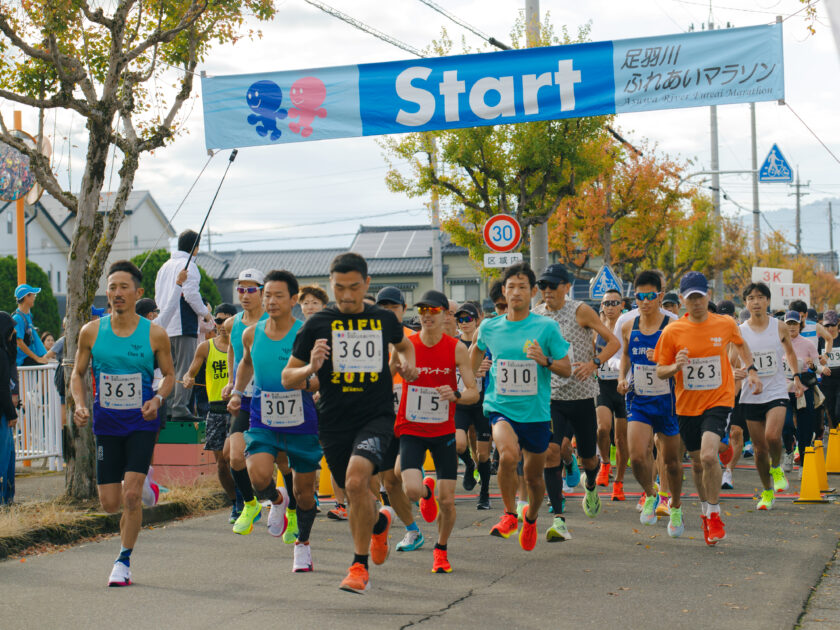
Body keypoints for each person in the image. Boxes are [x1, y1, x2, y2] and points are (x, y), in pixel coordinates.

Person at [282, 252, 418, 594]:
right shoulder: (316, 324)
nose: (346, 295)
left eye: (354, 287)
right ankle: (378, 525)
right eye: (339, 287)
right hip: (333, 421)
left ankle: (358, 567)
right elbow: (287, 377)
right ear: (332, 284)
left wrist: (407, 365)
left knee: (357, 484)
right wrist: (311, 367)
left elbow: (404, 346)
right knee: (357, 493)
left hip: (375, 416)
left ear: (366, 284)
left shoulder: (383, 319)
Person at [70, 260, 175, 586]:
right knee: (110, 503)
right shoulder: (91, 332)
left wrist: (157, 399)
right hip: (106, 424)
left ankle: (123, 562)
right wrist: (80, 404)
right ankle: (146, 483)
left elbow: (170, 375)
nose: (117, 293)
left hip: (142, 423)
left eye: (123, 287)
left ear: (138, 293)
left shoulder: (155, 334)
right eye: (112, 287)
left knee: (130, 498)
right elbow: (77, 373)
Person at [654, 271, 762, 545]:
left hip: (719, 401)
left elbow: (742, 345)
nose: (697, 302)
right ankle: (705, 511)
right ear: (682, 300)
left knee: (709, 456)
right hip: (687, 406)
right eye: (691, 298)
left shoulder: (725, 323)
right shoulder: (672, 331)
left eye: (700, 296)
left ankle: (714, 513)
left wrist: (750, 370)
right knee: (697, 461)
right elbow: (659, 371)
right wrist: (675, 366)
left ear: (708, 295)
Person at [470, 262, 572, 550]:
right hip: (500, 407)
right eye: (511, 287)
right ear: (503, 291)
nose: (516, 292)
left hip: (536, 413)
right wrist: (470, 379)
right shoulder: (489, 326)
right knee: (507, 454)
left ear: (533, 293)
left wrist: (545, 360)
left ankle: (531, 518)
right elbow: (473, 354)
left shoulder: (546, 327)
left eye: (523, 287)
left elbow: (566, 368)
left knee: (534, 477)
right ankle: (509, 514)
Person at [229, 270, 321, 573]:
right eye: (267, 294)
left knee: (306, 492)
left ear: (293, 300)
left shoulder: (305, 333)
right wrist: (238, 392)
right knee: (257, 476)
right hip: (263, 416)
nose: (270, 301)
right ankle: (277, 499)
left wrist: (309, 383)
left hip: (301, 420)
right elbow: (246, 363)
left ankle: (302, 545)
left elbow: (320, 378)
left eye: (278, 295)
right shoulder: (251, 333)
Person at [394, 289, 479, 573]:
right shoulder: (407, 344)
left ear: (445, 315)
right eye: (422, 311)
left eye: (433, 311)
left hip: (443, 429)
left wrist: (455, 394)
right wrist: (402, 372)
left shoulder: (456, 348)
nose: (426, 316)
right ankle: (425, 494)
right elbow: (388, 371)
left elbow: (473, 393)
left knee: (449, 502)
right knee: (412, 488)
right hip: (412, 427)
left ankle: (440, 550)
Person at [533, 263, 619, 542]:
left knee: (588, 458)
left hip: (581, 395)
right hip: (551, 397)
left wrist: (595, 363)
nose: (547, 291)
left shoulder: (580, 310)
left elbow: (613, 342)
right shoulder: (536, 315)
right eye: (543, 286)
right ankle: (559, 519)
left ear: (566, 287)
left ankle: (591, 482)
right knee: (551, 452)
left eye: (552, 285)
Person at [617, 271, 684, 536]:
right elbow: (624, 355)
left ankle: (675, 506)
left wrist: (667, 363)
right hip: (639, 400)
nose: (645, 302)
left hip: (668, 401)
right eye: (640, 297)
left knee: (671, 463)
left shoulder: (673, 324)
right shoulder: (628, 326)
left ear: (659, 295)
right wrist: (622, 377)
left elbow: (681, 360)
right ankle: (650, 494)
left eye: (650, 296)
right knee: (636, 455)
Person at [738, 283, 802, 510]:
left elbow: (790, 354)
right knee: (758, 449)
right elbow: (730, 359)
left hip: (776, 390)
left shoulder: (780, 326)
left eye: (761, 297)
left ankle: (776, 467)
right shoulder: (740, 330)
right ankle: (767, 491)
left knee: (773, 436)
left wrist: (795, 377)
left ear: (768, 301)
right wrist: (736, 372)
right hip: (751, 394)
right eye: (751, 298)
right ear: (745, 303)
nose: (756, 302)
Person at [375, 286, 424, 553]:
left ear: (404, 309)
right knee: (390, 483)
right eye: (382, 308)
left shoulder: (414, 339)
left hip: (412, 418)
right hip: (382, 419)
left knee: (401, 473)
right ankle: (412, 530)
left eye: (393, 307)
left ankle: (421, 486)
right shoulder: (368, 340)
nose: (387, 312)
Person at [222, 268, 269, 535]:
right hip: (244, 396)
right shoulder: (233, 323)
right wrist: (232, 381)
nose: (245, 295)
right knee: (233, 457)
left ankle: (291, 507)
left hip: (269, 396)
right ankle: (250, 504)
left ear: (262, 292)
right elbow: (232, 349)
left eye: (251, 289)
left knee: (282, 460)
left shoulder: (271, 322)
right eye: (241, 289)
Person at [183, 303, 238, 521]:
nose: (222, 325)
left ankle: (248, 497)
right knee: (221, 463)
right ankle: (236, 502)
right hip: (215, 409)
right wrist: (188, 378)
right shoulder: (206, 347)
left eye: (226, 320)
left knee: (234, 457)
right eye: (218, 320)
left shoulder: (244, 345)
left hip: (239, 408)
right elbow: (191, 372)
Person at [154, 229, 213, 420]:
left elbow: (157, 296)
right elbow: (190, 294)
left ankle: (169, 407)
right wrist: (205, 313)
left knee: (169, 369)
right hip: (183, 324)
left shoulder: (164, 266)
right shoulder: (189, 266)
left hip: (164, 325)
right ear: (194, 248)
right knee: (185, 368)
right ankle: (180, 408)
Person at [453, 302, 493, 509]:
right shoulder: (454, 346)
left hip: (482, 404)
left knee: (484, 454)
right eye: (460, 319)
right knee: (459, 444)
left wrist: (487, 370)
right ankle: (469, 464)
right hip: (461, 403)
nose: (464, 323)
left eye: (468, 318)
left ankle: (484, 493)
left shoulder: (487, 347)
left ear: (477, 321)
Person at [594, 289, 627, 500]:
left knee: (621, 438)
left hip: (623, 387)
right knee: (602, 428)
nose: (611, 307)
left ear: (622, 305)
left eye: (615, 303)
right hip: (603, 386)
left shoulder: (627, 326)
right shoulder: (595, 329)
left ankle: (619, 482)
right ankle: (605, 463)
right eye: (607, 303)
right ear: (602, 306)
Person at [782, 311, 825, 475]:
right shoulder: (778, 343)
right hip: (784, 391)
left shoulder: (808, 344)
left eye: (794, 324)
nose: (791, 327)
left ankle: (803, 464)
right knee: (785, 426)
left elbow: (817, 367)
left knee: (805, 430)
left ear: (800, 325)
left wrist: (816, 367)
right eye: (789, 324)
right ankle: (788, 451)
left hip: (804, 390)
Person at [0, 312, 19, 505]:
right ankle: (4, 500)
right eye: (11, 329)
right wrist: (11, 413)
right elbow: (3, 387)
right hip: (2, 414)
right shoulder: (2, 354)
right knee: (4, 458)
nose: (14, 332)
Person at [12, 284, 48, 366]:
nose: (34, 297)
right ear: (26, 297)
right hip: (22, 361)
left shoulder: (29, 315)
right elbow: (19, 343)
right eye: (33, 295)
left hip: (30, 358)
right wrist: (37, 358)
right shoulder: (17, 318)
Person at [818, 310, 840, 429]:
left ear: (838, 323)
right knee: (831, 412)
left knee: (838, 411)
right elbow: (814, 359)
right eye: (827, 325)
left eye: (833, 325)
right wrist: (821, 367)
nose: (830, 328)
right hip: (826, 382)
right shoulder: (820, 341)